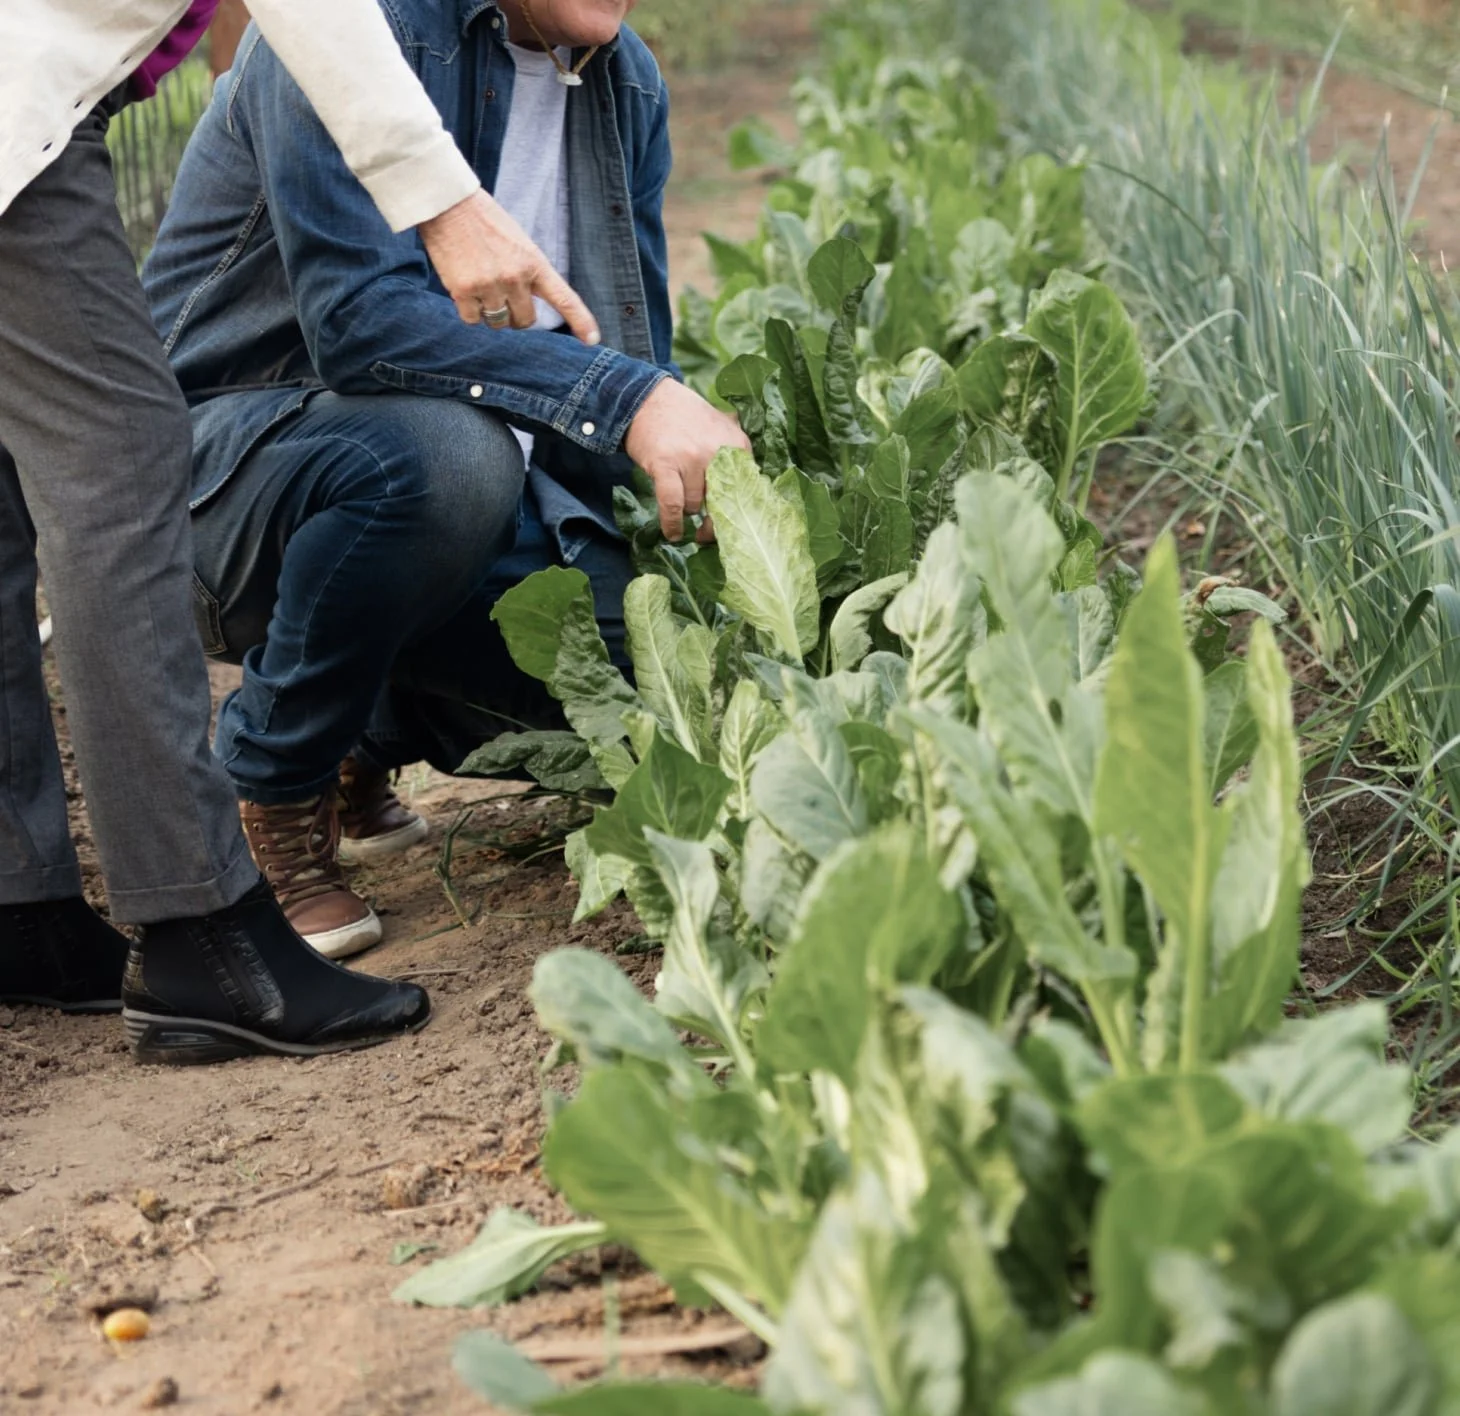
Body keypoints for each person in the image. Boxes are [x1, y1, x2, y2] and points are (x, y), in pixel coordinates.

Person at [0, 0, 606, 1065]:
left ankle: (22, 911)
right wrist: (439, 195)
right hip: (22, 119)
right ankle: (200, 929)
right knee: (121, 466)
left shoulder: (618, 82)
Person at [142, 0, 749, 958]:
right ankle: (272, 778)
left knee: (644, 687)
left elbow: (630, 349)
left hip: (464, 509)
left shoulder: (625, 81)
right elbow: (358, 325)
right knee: (447, 461)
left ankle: (361, 723)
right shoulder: (347, 27)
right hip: (222, 490)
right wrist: (628, 398)